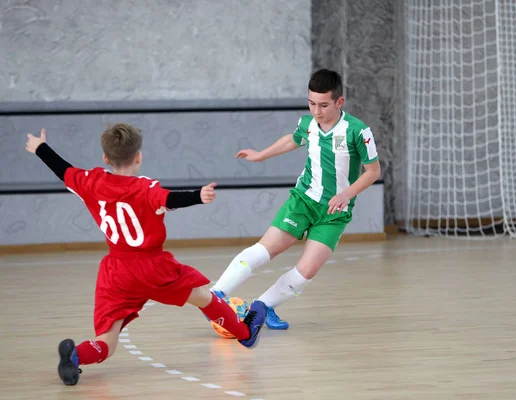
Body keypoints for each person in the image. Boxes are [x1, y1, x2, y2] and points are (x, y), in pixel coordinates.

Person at [25, 124, 267, 386]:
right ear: (139, 156)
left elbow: (63, 170)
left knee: (107, 342)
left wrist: (40, 148)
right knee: (205, 298)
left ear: (106, 158)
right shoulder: (145, 188)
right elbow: (170, 199)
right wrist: (198, 196)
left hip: (115, 271)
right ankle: (245, 333)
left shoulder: (91, 182)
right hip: (152, 267)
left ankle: (75, 356)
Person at [211, 68, 381, 329]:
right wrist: (260, 155)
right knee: (267, 248)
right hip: (303, 200)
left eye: (324, 105)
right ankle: (215, 296)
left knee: (307, 271)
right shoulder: (308, 124)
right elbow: (292, 139)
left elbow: (373, 172)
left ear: (339, 102)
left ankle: (264, 306)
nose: (316, 111)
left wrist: (347, 193)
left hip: (334, 213)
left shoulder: (358, 131)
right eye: (312, 103)